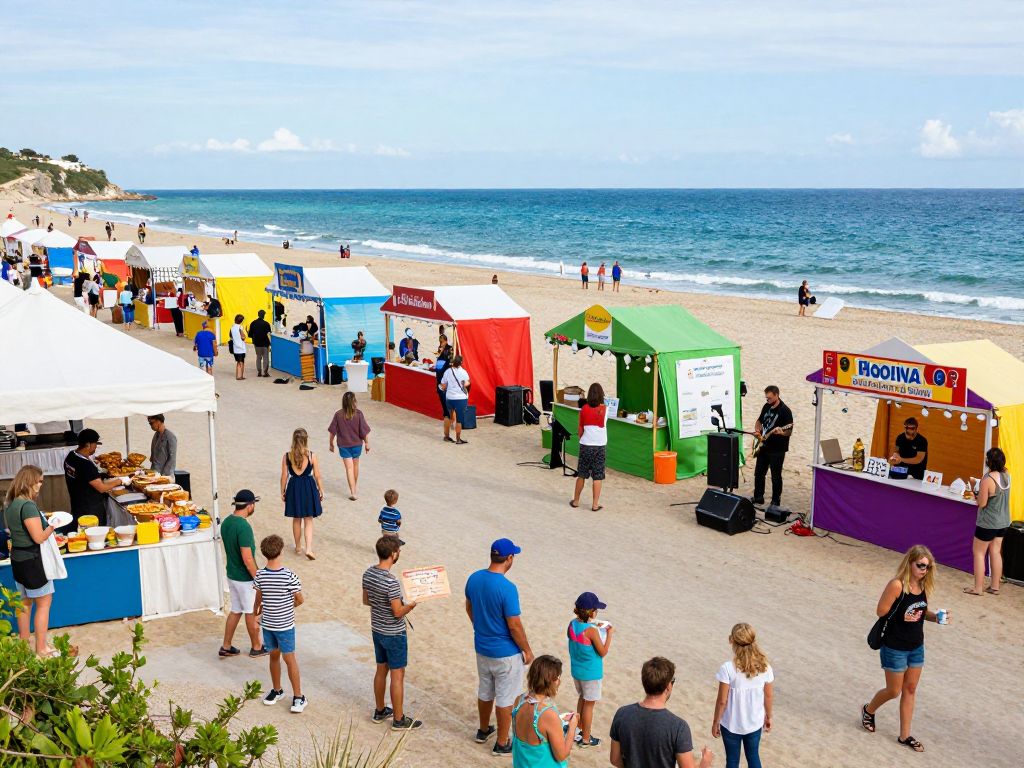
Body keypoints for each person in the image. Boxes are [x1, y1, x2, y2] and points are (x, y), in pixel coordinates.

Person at [862, 545, 948, 753]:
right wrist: (903, 613)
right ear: (910, 562)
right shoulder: (897, 585)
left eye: (927, 567)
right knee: (894, 690)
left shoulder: (923, 585)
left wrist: (935, 617)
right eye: (920, 566)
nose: (923, 570)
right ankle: (868, 709)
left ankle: (905, 735)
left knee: (910, 689)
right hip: (894, 645)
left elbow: (921, 610)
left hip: (916, 645)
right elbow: (881, 611)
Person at [465, 538, 534, 756]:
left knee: (485, 689)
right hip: (505, 652)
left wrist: (480, 626)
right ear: (509, 558)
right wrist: (527, 650)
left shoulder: (474, 578)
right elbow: (514, 625)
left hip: (482, 647)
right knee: (506, 698)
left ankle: (484, 729)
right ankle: (503, 742)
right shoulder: (508, 588)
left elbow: (469, 606)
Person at [362, 536, 422, 730]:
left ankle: (380, 710)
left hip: (377, 629)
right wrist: (412, 605)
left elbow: (366, 600)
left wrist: (382, 605)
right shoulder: (391, 582)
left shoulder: (368, 573)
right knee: (397, 674)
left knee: (381, 669)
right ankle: (398, 718)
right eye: (398, 550)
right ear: (393, 554)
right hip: (394, 633)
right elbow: (397, 612)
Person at [609, 657, 713, 768]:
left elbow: (615, 759)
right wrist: (705, 762)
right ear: (668, 686)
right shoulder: (678, 727)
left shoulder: (622, 714)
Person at [3, 465, 60, 657]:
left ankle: (23, 646)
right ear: (30, 481)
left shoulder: (10, 504)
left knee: (24, 604)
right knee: (43, 604)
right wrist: (53, 525)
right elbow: (38, 537)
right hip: (33, 561)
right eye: (40, 481)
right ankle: (41, 648)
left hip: (18, 560)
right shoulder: (27, 506)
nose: (41, 485)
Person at [254, 534, 306, 713]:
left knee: (273, 657)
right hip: (284, 626)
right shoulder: (289, 576)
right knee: (290, 659)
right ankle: (298, 696)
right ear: (281, 551)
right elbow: (299, 599)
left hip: (268, 625)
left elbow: (258, 598)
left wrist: (256, 614)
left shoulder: (260, 574)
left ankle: (277, 690)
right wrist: (289, 606)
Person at [711, 624, 774, 768]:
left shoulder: (727, 668)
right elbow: (768, 696)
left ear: (731, 641)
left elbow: (722, 701)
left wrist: (716, 721)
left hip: (731, 724)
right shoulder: (765, 667)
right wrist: (769, 716)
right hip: (754, 722)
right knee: (753, 757)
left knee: (732, 761)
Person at [219, 489, 268, 659]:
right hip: (244, 579)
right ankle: (256, 646)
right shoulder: (243, 527)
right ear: (249, 506)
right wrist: (259, 579)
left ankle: (226, 645)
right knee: (250, 611)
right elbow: (248, 559)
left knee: (236, 610)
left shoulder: (226, 522)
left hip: (231, 574)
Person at [511, 655, 577, 766]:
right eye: (558, 677)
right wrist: (572, 727)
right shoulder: (548, 714)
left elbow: (534, 727)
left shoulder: (519, 700)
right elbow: (561, 756)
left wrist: (558, 719)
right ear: (552, 681)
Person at [567, 591, 613, 748]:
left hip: (577, 671)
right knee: (589, 704)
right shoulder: (592, 631)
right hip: (591, 673)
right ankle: (586, 738)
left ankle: (578, 729)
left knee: (582, 698)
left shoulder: (572, 624)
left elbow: (578, 640)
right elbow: (603, 652)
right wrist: (609, 633)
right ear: (592, 612)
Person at [965, 447, 1011, 596]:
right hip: (1003, 521)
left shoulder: (987, 480)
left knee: (978, 553)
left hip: (988, 523)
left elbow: (982, 503)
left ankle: (978, 588)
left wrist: (973, 488)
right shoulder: (1007, 475)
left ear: (989, 461)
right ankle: (995, 586)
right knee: (996, 552)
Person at [64, 429, 127, 529]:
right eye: (95, 444)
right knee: (94, 535)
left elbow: (83, 477)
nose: (96, 447)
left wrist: (101, 474)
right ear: (88, 444)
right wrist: (121, 480)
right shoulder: (85, 464)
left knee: (80, 531)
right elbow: (101, 488)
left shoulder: (71, 456)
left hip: (77, 504)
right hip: (90, 509)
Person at [281, 428, 323, 560]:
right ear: (306, 440)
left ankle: (298, 546)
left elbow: (284, 476)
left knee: (296, 518)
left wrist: (282, 490)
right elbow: (317, 475)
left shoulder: (287, 456)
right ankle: (309, 548)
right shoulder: (311, 455)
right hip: (308, 487)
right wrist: (321, 489)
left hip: (294, 487)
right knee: (308, 519)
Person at [751, 386, 793, 507]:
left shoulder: (785, 411)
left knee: (775, 476)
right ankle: (758, 497)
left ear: (776, 395)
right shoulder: (766, 406)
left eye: (769, 398)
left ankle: (775, 501)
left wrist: (782, 432)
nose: (767, 400)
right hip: (764, 446)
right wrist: (757, 429)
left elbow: (789, 430)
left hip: (777, 449)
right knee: (759, 473)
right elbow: (759, 421)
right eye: (766, 398)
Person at [327, 391, 371, 500]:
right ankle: (354, 488)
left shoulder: (338, 414)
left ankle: (353, 491)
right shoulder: (359, 414)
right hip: (357, 444)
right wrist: (367, 443)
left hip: (343, 445)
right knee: (355, 466)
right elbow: (363, 431)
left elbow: (332, 431)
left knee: (349, 469)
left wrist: (331, 443)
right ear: (354, 401)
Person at [571, 383, 607, 511]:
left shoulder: (584, 409)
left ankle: (576, 501)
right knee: (597, 476)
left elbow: (580, 428)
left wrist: (582, 438)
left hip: (586, 445)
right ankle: (595, 504)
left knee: (582, 474)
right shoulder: (605, 409)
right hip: (599, 446)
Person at [440, 354, 471, 445]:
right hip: (461, 398)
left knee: (449, 417)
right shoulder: (464, 372)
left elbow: (443, 385)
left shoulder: (448, 371)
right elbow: (467, 383)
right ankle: (458, 439)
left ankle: (446, 436)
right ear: (461, 363)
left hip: (450, 398)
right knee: (459, 419)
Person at [435, 341, 454, 432]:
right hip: (442, 386)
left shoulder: (442, 360)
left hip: (442, 386)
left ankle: (450, 422)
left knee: (446, 408)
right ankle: (450, 422)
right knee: (447, 406)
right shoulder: (444, 361)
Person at [248, 309, 272, 378]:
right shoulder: (266, 324)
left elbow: (250, 335)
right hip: (265, 343)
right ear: (264, 315)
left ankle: (259, 372)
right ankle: (265, 372)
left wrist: (254, 340)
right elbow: (269, 334)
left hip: (257, 343)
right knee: (265, 357)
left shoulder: (253, 323)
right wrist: (270, 343)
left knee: (258, 357)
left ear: (258, 314)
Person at [229, 314, 248, 380]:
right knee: (241, 362)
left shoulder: (232, 327)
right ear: (242, 321)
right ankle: (240, 376)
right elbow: (243, 337)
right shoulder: (240, 327)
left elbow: (231, 337)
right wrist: (242, 333)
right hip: (241, 348)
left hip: (235, 348)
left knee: (238, 362)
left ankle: (237, 375)